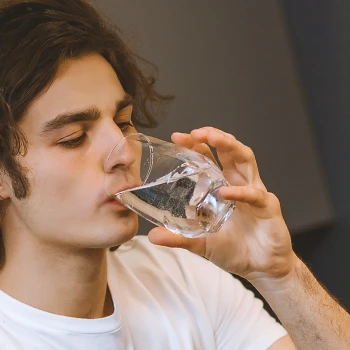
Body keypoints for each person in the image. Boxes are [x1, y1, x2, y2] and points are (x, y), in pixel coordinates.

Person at [0, 1, 348, 349]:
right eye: (73, 138)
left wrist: (280, 275)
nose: (123, 150)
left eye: (123, 123)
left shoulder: (180, 277)